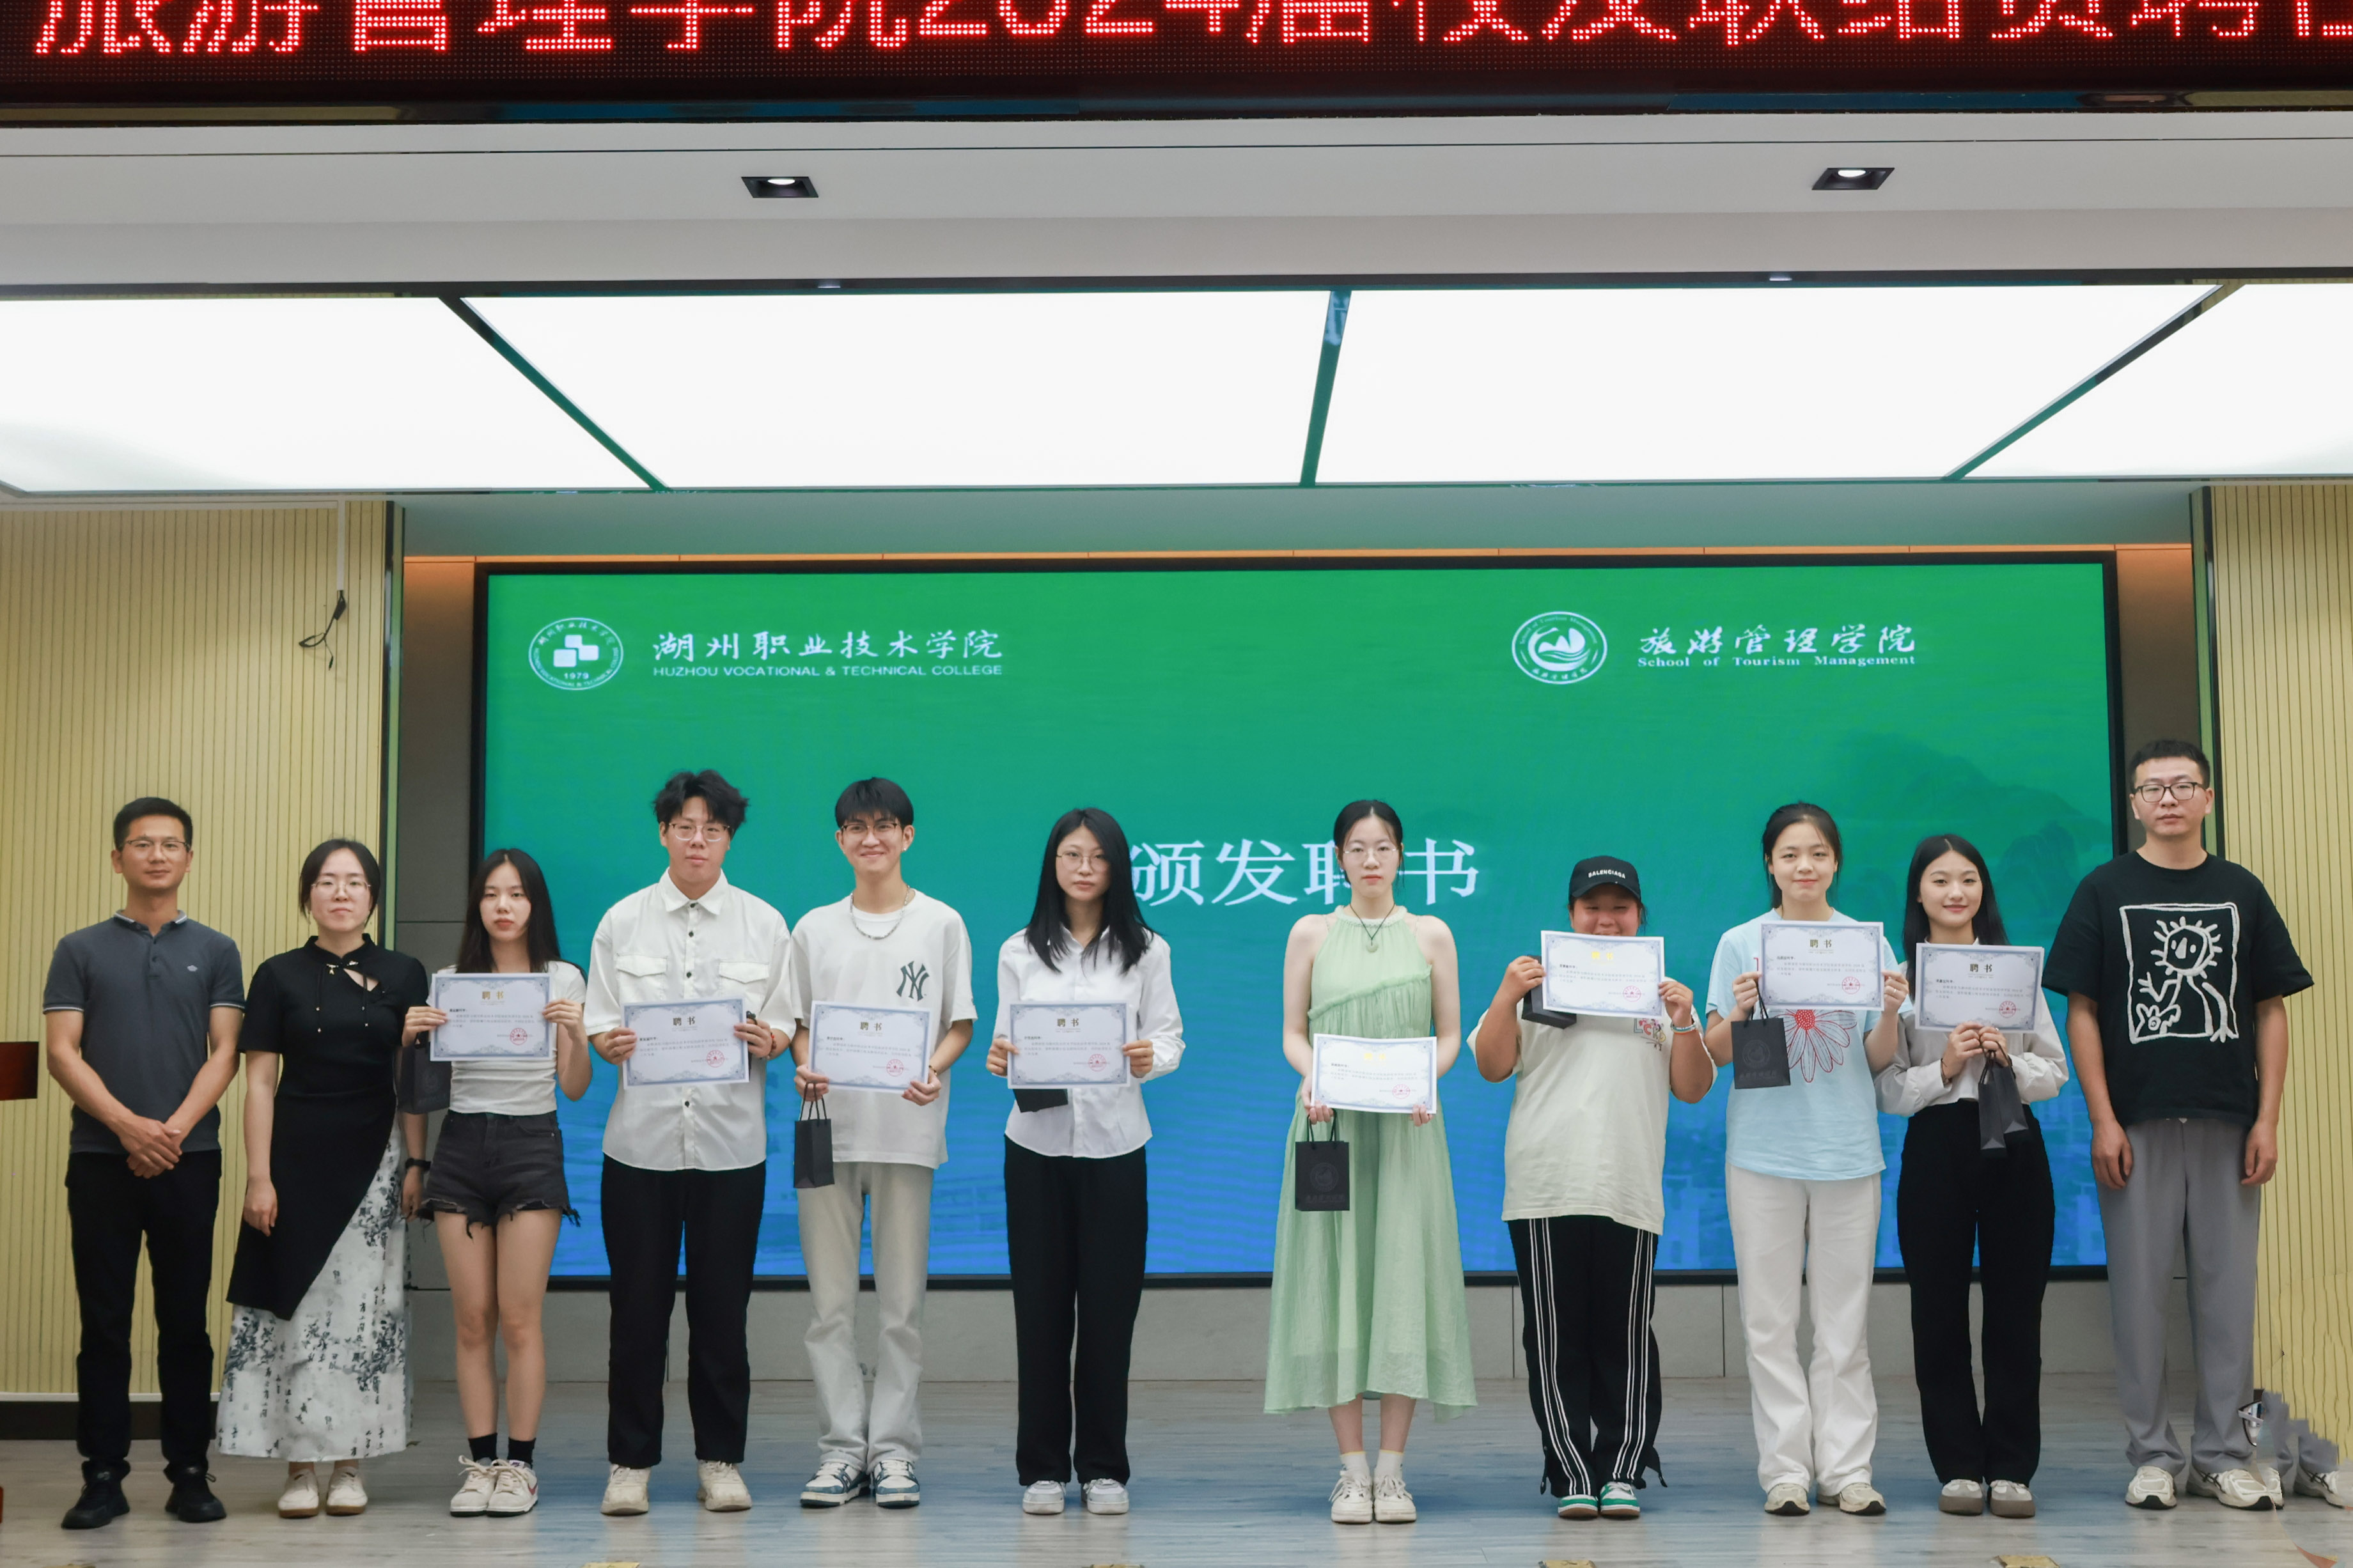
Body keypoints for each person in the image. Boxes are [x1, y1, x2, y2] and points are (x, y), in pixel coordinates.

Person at [2044, 739, 2311, 1512]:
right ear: (2132, 803)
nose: (2166, 797)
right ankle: (2152, 1455)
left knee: (2228, 1297)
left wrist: (2266, 1117)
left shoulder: (2240, 889)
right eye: (2151, 787)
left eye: (2181, 784)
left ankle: (2222, 1454)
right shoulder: (2102, 888)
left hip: (2229, 1120)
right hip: (2135, 1123)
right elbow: (2081, 1009)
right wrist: (2100, 1117)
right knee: (2136, 1296)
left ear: (2206, 797)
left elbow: (2269, 1007)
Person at [1469, 855, 1714, 1522]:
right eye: (1592, 908)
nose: (1606, 920)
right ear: (1571, 914)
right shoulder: (1536, 984)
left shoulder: (1661, 993)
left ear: (1639, 915)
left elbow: (1693, 1087)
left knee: (1625, 1335)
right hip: (1546, 1185)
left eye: (1619, 908)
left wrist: (1685, 1017)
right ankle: (1571, 1470)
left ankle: (1622, 1469)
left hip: (1628, 1185)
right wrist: (1504, 995)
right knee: (1554, 1339)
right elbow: (1492, 1065)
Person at [584, 770, 792, 1518]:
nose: (697, 839)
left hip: (731, 1148)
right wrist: (608, 1042)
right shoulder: (622, 921)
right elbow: (598, 1020)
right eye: (684, 826)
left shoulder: (765, 923)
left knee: (721, 1313)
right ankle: (630, 1463)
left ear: (729, 838)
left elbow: (786, 1023)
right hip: (638, 1147)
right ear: (663, 832)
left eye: (712, 828)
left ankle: (720, 1460)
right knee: (636, 1312)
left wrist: (770, 1038)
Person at [1265, 799, 1476, 1526]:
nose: (1370, 859)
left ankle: (1393, 1471)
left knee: (1401, 1281)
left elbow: (1449, 1035)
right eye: (1357, 848)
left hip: (1407, 1131)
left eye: (1383, 846)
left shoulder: (1432, 933)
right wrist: (1313, 1078)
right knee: (1335, 1281)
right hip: (1331, 1126)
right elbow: (1293, 1032)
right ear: (1338, 858)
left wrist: (1426, 1081)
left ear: (1401, 855)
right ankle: (1351, 1471)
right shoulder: (1310, 932)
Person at [43, 798, 244, 1531]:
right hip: (102, 1158)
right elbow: (61, 1050)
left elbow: (226, 1051)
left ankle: (189, 1472)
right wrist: (129, 1126)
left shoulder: (217, 948)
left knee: (185, 1321)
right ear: (117, 858)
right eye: (141, 843)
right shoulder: (79, 948)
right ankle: (102, 1476)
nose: (157, 854)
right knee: (104, 1322)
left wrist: (174, 1130)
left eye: (170, 844)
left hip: (191, 1159)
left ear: (189, 857)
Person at [1703, 801, 1907, 1518]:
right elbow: (1714, 1051)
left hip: (1848, 1151)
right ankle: (1785, 1469)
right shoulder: (1741, 942)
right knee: (1768, 1322)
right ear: (1770, 863)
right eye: (1790, 854)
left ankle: (1846, 1469)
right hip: (1763, 1153)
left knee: (1843, 1324)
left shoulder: (1866, 943)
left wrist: (1890, 1008)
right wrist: (1738, 1009)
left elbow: (1876, 1060)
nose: (1804, 866)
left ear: (1836, 861)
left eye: (1817, 852)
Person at [217, 839, 430, 1519]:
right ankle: (299, 1466)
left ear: (372, 897)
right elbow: (258, 1081)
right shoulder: (277, 974)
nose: (341, 893)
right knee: (299, 1315)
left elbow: (413, 1079)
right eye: (328, 881)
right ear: (308, 893)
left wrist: (416, 1162)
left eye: (355, 882)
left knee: (364, 1316)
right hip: (294, 1160)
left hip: (375, 1159)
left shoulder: (404, 972)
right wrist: (258, 1176)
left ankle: (350, 1463)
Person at [985, 808, 1185, 1518]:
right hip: (1035, 1147)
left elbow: (1170, 1036)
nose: (1083, 867)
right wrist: (1000, 1056)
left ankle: (1102, 1467)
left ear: (1116, 868)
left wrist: (1150, 1056)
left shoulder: (1147, 950)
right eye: (1071, 854)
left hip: (1115, 1146)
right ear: (1053, 863)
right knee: (1039, 1311)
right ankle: (1041, 1468)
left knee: (1108, 1312)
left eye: (1097, 856)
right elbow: (1007, 1040)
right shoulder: (1018, 950)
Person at [788, 777, 977, 1510]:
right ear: (839, 839)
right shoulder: (813, 928)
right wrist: (805, 1061)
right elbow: (797, 1021)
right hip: (826, 1131)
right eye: (857, 827)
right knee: (829, 1308)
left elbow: (959, 1021)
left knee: (901, 1307)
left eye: (885, 825)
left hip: (907, 1131)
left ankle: (893, 1451)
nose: (871, 838)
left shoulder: (941, 922)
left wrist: (932, 1068)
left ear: (908, 835)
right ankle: (840, 1450)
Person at [1877, 834, 2068, 1520]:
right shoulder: (1900, 981)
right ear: (1918, 892)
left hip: (2013, 1139)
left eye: (1967, 879)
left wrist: (2007, 1060)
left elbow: (2055, 1072)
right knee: (1937, 1310)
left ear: (1982, 889)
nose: (1955, 892)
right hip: (1936, 1144)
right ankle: (1958, 1465)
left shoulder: (2015, 972)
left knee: (2016, 1310)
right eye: (1939, 879)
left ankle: (2012, 1467)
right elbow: (1889, 1090)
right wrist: (1947, 1065)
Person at [401, 849, 592, 1519]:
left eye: (515, 893)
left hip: (531, 1143)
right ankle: (480, 1464)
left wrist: (576, 1034)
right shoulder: (450, 982)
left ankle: (521, 1467)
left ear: (535, 903)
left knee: (518, 1316)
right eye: (490, 893)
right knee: (472, 1316)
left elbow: (574, 1087)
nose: (503, 905)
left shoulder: (563, 977)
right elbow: (423, 1090)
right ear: (476, 905)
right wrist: (412, 1041)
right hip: (460, 1145)